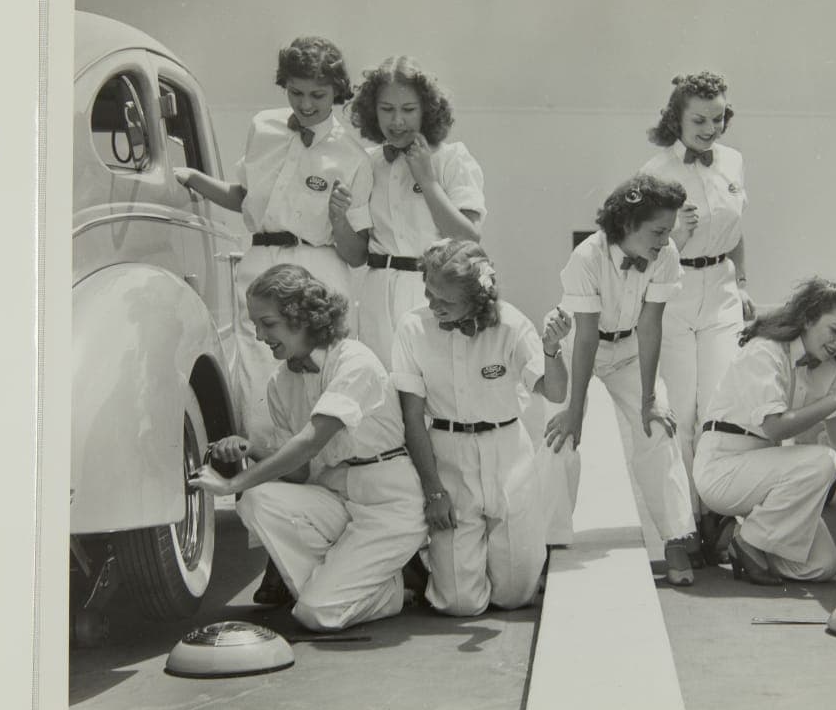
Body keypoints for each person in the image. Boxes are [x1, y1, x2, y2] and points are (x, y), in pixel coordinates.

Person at [188, 264, 426, 631]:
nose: (259, 335)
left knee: (316, 613)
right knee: (256, 499)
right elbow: (298, 471)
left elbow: (310, 441)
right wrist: (251, 448)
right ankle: (360, 580)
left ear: (302, 317)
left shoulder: (354, 361)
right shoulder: (280, 383)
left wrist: (232, 484)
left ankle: (388, 590)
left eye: (268, 324)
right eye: (255, 325)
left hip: (388, 505)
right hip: (334, 496)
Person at [174, 35, 372, 455]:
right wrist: (190, 177)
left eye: (318, 95)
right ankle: (262, 477)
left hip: (318, 267)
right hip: (260, 265)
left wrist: (338, 218)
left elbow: (356, 254)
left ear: (338, 91)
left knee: (316, 375)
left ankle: (320, 479)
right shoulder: (262, 127)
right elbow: (242, 198)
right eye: (295, 92)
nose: (305, 104)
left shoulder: (355, 155)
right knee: (258, 373)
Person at [390, 239, 571, 615]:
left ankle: (504, 554)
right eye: (429, 294)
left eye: (447, 301)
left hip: (508, 456)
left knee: (514, 597)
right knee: (460, 604)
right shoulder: (413, 328)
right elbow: (412, 418)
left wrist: (552, 349)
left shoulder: (510, 323)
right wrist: (434, 491)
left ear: (479, 298)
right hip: (448, 458)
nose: (434, 306)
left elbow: (554, 390)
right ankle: (436, 566)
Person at [691, 278, 836, 585]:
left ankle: (739, 536)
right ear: (807, 318)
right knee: (823, 462)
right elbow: (774, 425)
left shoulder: (829, 371)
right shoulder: (765, 352)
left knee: (822, 565)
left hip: (765, 472)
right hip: (723, 468)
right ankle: (749, 543)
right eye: (834, 330)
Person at [540, 173, 698, 586]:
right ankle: (551, 542)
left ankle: (675, 537)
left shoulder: (666, 255)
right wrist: (574, 412)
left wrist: (649, 398)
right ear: (627, 223)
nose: (666, 240)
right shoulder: (586, 257)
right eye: (659, 230)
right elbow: (587, 334)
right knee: (560, 434)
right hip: (581, 346)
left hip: (630, 349)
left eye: (669, 231)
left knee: (659, 427)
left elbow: (651, 326)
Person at [640, 71, 755, 566]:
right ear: (676, 119)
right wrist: (678, 239)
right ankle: (683, 523)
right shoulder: (656, 169)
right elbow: (645, 249)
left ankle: (719, 514)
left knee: (720, 409)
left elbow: (738, 230)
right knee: (682, 411)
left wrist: (745, 286)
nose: (711, 128)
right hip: (675, 291)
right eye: (699, 119)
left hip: (723, 292)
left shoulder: (733, 161)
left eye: (718, 117)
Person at [347, 55, 486, 368]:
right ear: (372, 111)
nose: (397, 121)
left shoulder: (451, 159)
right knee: (382, 386)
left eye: (408, 110)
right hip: (377, 293)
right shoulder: (367, 164)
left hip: (432, 291)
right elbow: (357, 251)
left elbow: (469, 239)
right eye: (387, 109)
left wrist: (427, 179)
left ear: (427, 110)